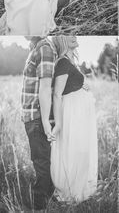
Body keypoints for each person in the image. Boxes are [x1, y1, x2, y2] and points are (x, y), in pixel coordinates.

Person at [50, 36, 97, 203]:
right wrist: (59, 123)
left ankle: (79, 189)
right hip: (72, 113)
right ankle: (70, 193)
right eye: (68, 35)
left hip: (79, 113)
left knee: (80, 149)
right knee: (74, 149)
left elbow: (70, 85)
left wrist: (82, 85)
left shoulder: (69, 62)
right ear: (61, 40)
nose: (74, 36)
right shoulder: (63, 62)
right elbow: (57, 94)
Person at [21, 36, 61, 212]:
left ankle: (39, 207)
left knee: (41, 163)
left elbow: (46, 87)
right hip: (31, 117)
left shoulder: (44, 48)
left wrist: (45, 121)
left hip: (37, 117)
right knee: (41, 160)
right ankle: (50, 202)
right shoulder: (35, 47)